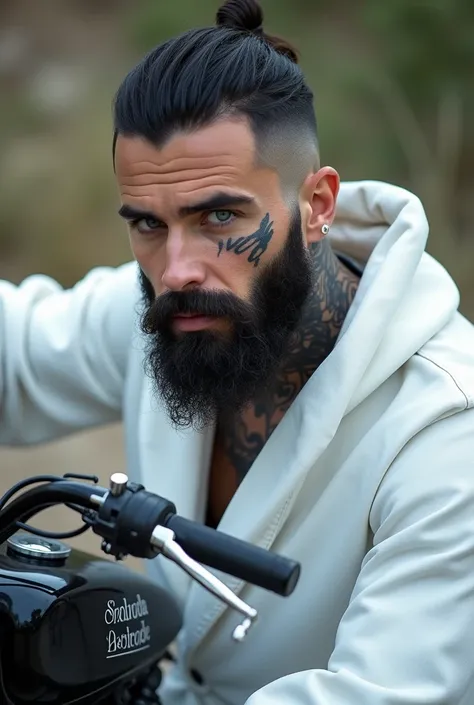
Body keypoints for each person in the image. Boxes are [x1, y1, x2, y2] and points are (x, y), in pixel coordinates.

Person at [1, 0, 474, 703]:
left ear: (316, 204)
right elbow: (17, 351)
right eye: (147, 225)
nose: (177, 268)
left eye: (218, 216)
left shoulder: (445, 431)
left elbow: (381, 693)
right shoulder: (177, 310)